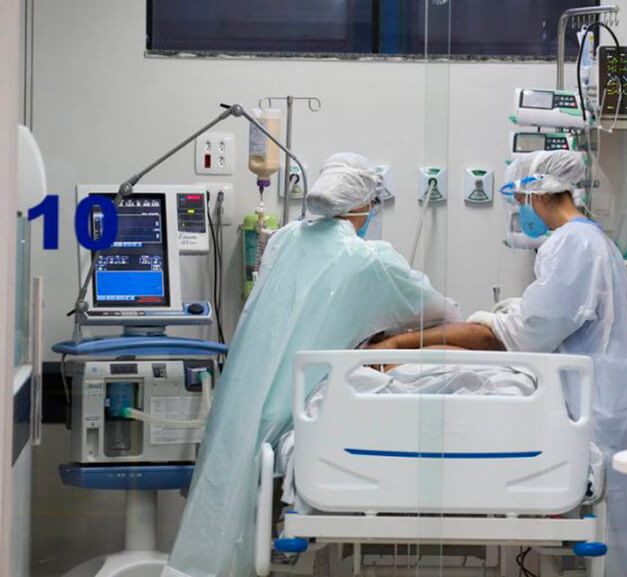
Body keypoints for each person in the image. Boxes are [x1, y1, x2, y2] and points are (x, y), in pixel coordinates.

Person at [163, 153, 458, 577]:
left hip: (248, 393)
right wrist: (390, 340)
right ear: (363, 205)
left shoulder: (283, 239)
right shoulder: (370, 259)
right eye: (374, 203)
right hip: (293, 402)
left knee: (224, 500)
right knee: (244, 507)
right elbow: (441, 312)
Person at [370, 150, 627, 577]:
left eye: (520, 201)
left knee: (613, 549)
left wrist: (400, 345)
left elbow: (515, 335)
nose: (520, 212)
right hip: (600, 407)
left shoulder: (573, 244)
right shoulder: (591, 243)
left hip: (594, 415)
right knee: (615, 545)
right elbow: (531, 326)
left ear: (536, 194)